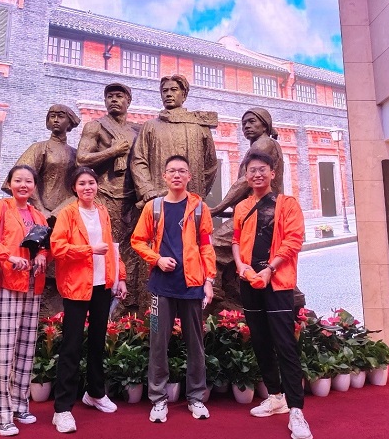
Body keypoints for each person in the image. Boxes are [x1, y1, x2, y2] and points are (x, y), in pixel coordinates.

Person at [231, 151, 312, 439]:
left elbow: (293, 240)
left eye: (262, 169)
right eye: (252, 170)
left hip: (277, 283)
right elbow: (236, 241)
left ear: (272, 173)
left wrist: (270, 269)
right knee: (261, 341)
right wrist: (241, 266)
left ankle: (296, 410)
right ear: (246, 175)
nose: (257, 174)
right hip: (249, 282)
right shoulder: (242, 207)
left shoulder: (287, 204)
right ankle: (275, 396)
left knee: (285, 345)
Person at [131, 155, 216, 423]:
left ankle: (196, 397)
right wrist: (157, 259)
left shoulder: (199, 208)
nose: (177, 175)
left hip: (192, 286)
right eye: (172, 171)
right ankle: (158, 399)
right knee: (158, 343)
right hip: (161, 287)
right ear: (164, 176)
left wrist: (209, 280)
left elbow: (206, 246)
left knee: (196, 344)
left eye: (182, 171)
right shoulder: (154, 207)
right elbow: (137, 240)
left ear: (189, 176)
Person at [0, 165, 50, 437]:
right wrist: (6, 254)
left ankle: (19, 405)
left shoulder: (38, 215)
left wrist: (42, 256)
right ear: (9, 183)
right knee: (3, 353)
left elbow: (43, 246)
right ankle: (1, 416)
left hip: (33, 285)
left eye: (28, 181)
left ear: (34, 186)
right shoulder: (0, 209)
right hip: (6, 283)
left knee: (26, 349)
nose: (23, 185)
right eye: (18, 180)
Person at [50, 166, 128, 434]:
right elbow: (57, 248)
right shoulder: (68, 214)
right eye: (82, 183)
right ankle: (62, 409)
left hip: (102, 285)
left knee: (97, 341)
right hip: (76, 287)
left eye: (91, 183)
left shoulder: (102, 211)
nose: (87, 187)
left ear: (97, 186)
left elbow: (112, 247)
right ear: (74, 188)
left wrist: (121, 277)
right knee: (71, 346)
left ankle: (95, 393)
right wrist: (89, 250)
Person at [76, 82, 141, 309]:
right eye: (110, 96)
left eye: (119, 96)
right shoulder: (96, 126)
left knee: (130, 249)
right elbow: (81, 158)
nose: (114, 99)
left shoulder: (137, 131)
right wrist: (113, 151)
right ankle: (99, 302)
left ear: (128, 101)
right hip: (104, 195)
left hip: (132, 198)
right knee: (103, 248)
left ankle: (127, 303)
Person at [131, 75, 218, 209]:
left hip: (192, 201)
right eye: (165, 91)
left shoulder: (200, 127)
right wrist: (147, 190)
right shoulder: (150, 126)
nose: (168, 94)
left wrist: (197, 188)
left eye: (174, 90)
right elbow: (138, 160)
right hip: (157, 201)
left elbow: (210, 165)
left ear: (184, 94)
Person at [3, 104, 81, 218]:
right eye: (52, 116)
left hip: (68, 212)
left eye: (60, 116)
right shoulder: (38, 148)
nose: (56, 120)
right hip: (42, 212)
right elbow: (20, 179)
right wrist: (41, 209)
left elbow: (82, 184)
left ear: (69, 122)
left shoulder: (75, 153)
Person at [210, 107, 284, 217]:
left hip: (261, 212)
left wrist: (216, 209)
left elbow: (245, 181)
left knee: (219, 231)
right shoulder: (259, 145)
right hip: (254, 209)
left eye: (252, 121)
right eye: (244, 123)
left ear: (265, 126)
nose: (247, 126)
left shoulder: (264, 144)